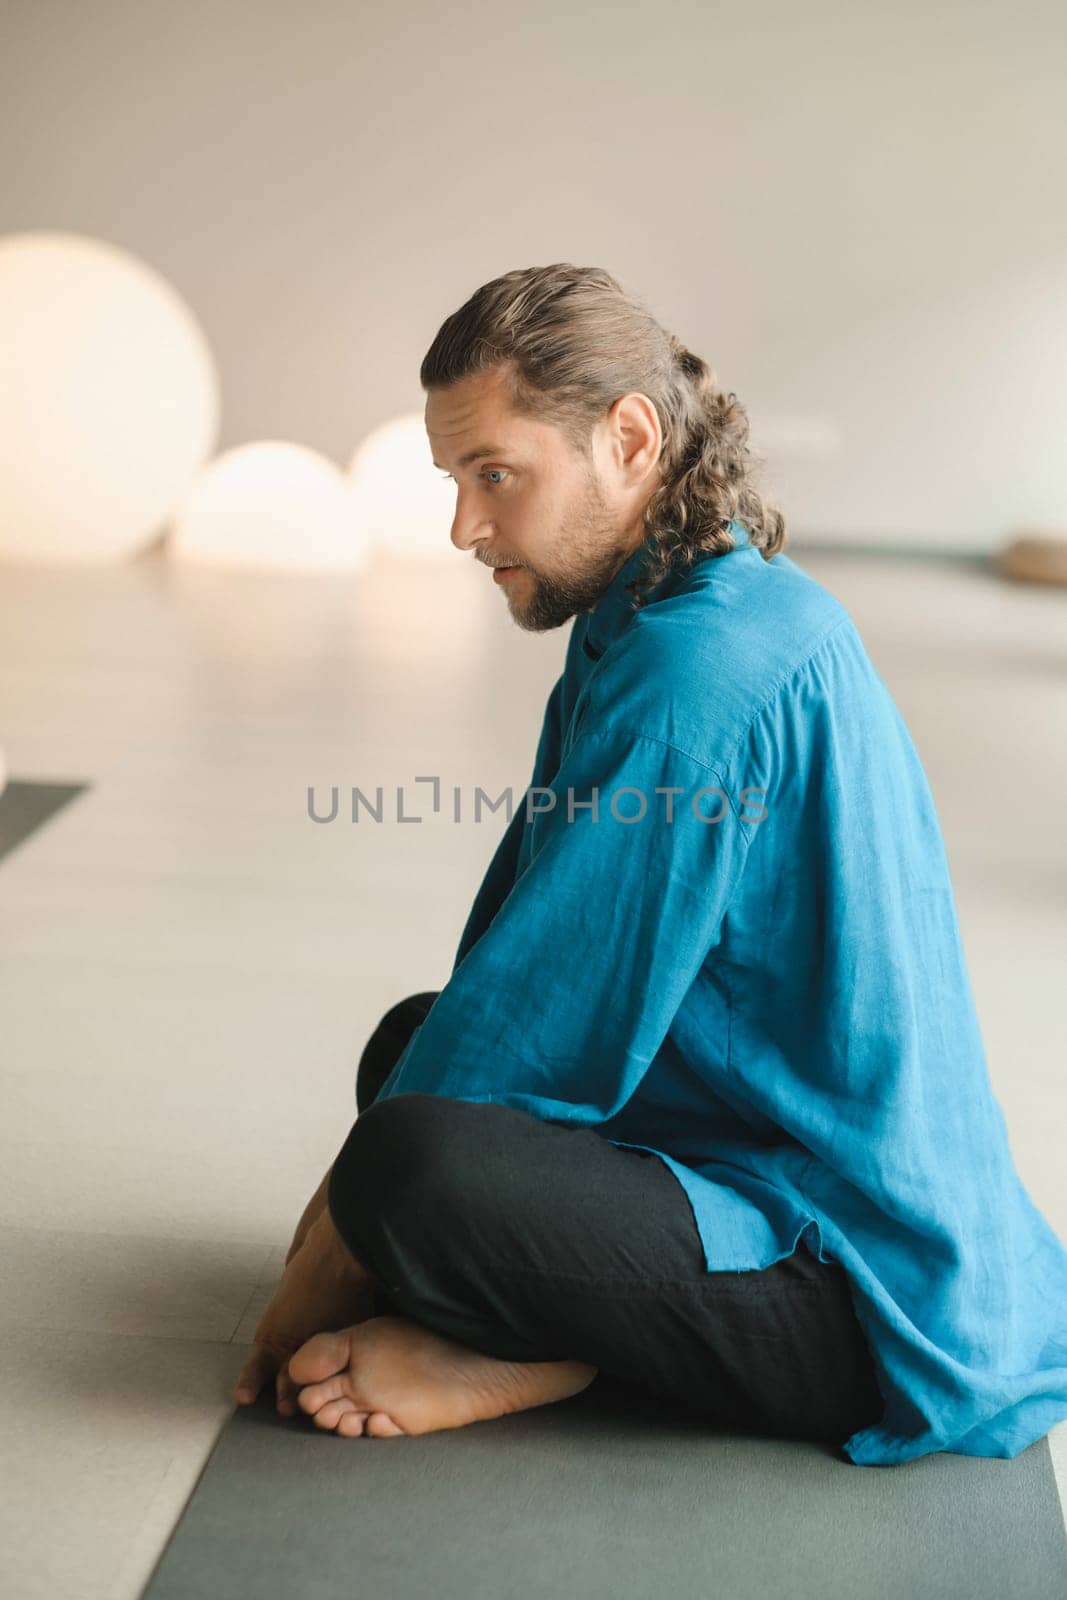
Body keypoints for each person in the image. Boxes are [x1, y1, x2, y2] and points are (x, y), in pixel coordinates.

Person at [234, 264, 1067, 1464]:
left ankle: (550, 1344)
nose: (464, 526)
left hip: (850, 1288)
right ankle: (536, 1317)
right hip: (737, 1131)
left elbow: (533, 1029)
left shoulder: (693, 678)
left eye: (494, 475)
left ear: (627, 437)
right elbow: (512, 967)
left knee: (409, 1166)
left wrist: (320, 1270)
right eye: (454, 481)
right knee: (404, 1048)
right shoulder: (667, 607)